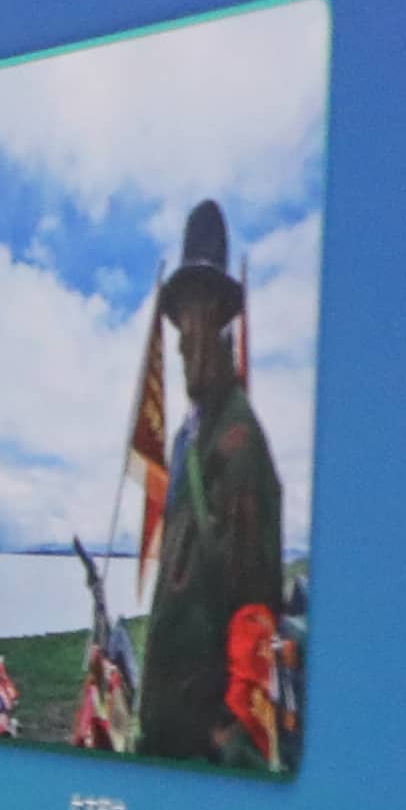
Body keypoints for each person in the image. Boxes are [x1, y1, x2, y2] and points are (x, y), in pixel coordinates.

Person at [127, 206, 289, 769]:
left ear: (220, 322)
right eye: (178, 323)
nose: (179, 343)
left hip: (203, 748)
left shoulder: (239, 443)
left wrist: (231, 733)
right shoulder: (184, 441)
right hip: (164, 728)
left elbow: (255, 602)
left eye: (192, 320)